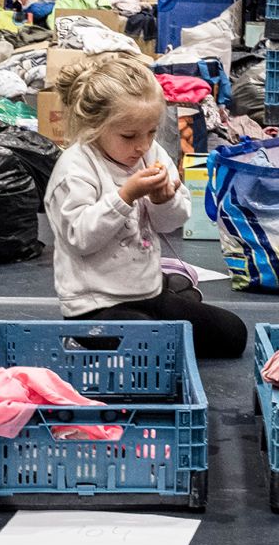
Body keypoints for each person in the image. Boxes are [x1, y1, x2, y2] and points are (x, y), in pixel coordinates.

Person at [44, 53, 247, 359]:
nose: (142, 144)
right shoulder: (75, 169)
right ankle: (84, 341)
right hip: (96, 308)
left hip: (148, 293)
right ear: (94, 127)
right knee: (153, 350)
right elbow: (80, 239)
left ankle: (167, 304)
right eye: (129, 136)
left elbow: (169, 224)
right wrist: (124, 197)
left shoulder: (149, 153)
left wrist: (162, 200)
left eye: (151, 132)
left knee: (233, 334)